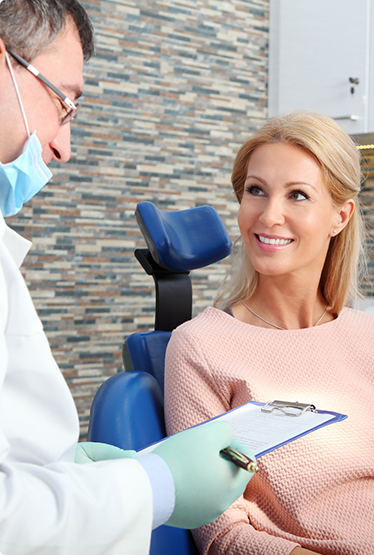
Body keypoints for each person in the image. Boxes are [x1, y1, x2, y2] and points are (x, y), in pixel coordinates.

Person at [164, 110, 374, 555]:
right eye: (255, 191)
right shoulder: (200, 346)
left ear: (340, 216)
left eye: (297, 195)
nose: (269, 215)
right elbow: (223, 532)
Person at [0, 0, 255, 553]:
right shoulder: (203, 345)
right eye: (64, 103)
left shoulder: (372, 337)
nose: (63, 149)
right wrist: (155, 485)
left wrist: (62, 465)